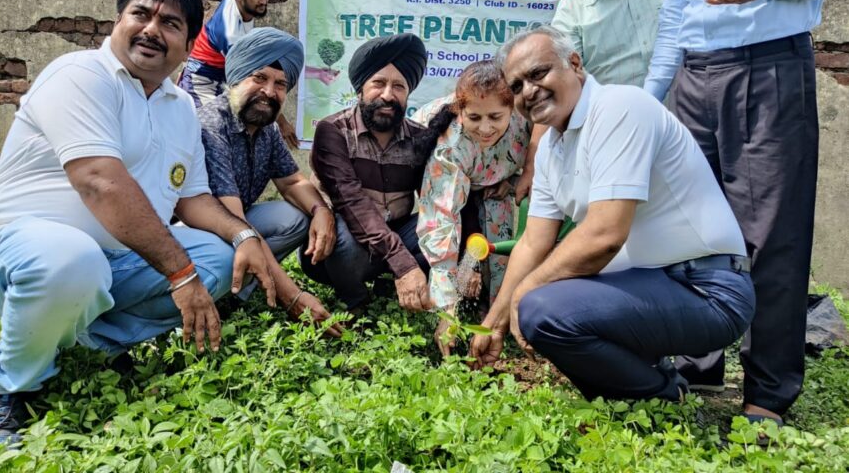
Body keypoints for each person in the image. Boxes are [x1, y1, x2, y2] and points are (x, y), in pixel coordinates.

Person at [0, 0, 274, 445]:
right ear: (117, 20)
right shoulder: (81, 74)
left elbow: (192, 199)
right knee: (73, 261)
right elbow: (100, 182)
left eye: (170, 23)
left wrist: (245, 236)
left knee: (223, 256)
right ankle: (14, 386)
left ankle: (84, 341)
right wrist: (180, 275)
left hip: (112, 259)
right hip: (25, 244)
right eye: (140, 14)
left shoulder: (180, 106)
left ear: (188, 45)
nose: (151, 29)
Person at [469, 26, 755, 403]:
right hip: (649, 285)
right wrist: (494, 324)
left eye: (538, 74)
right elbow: (531, 244)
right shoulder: (553, 147)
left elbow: (605, 235)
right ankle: (649, 376)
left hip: (707, 289)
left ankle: (660, 394)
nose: (529, 91)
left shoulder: (620, 108)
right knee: (544, 290)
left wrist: (525, 293)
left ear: (574, 64)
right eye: (517, 86)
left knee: (542, 305)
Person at [643, 0, 849, 424]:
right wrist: (649, 103)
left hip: (769, 66)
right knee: (690, 230)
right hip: (693, 78)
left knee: (771, 233)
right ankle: (698, 362)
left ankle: (769, 391)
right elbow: (674, 16)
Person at [197, 27, 341, 336]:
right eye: (259, 78)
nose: (269, 91)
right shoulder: (211, 124)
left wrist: (322, 211)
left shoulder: (267, 129)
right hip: (200, 229)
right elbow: (233, 220)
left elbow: (291, 183)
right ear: (235, 79)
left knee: (296, 217)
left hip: (236, 220)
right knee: (229, 248)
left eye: (280, 84)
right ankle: (224, 284)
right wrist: (293, 295)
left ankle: (241, 290)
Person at [302, 33, 433, 314]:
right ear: (360, 88)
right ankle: (357, 301)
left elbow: (436, 198)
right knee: (345, 245)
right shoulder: (333, 131)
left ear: (408, 93)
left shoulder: (420, 138)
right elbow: (352, 203)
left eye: (399, 86)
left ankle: (394, 282)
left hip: (397, 230)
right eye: (378, 83)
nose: (388, 95)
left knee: (440, 229)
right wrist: (403, 263)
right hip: (350, 234)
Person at [412, 60, 531, 354]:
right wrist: (446, 310)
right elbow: (440, 221)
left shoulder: (526, 126)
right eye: (474, 117)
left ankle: (497, 315)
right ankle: (453, 312)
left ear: (512, 109)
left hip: (494, 186)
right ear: (459, 111)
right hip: (440, 178)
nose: (486, 128)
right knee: (452, 244)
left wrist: (512, 182)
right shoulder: (451, 146)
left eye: (495, 116)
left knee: (499, 244)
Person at [178, 0, 309, 149]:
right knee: (210, 134)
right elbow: (249, 80)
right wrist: (282, 124)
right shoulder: (232, 34)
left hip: (219, 69)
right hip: (204, 79)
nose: (263, 0)